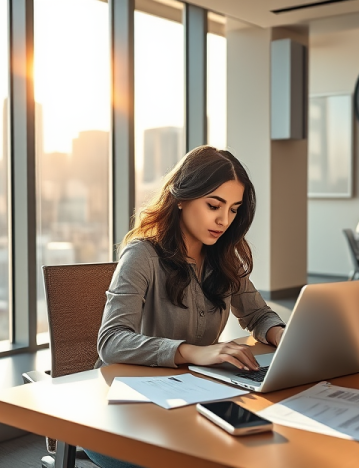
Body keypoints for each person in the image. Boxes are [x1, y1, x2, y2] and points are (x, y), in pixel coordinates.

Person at [87, 146, 286, 468]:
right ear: (181, 197)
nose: (224, 220)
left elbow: (258, 314)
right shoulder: (142, 255)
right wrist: (192, 351)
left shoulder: (223, 257)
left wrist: (283, 337)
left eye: (234, 209)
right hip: (125, 408)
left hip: (192, 397)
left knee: (265, 446)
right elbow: (111, 342)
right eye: (213, 205)